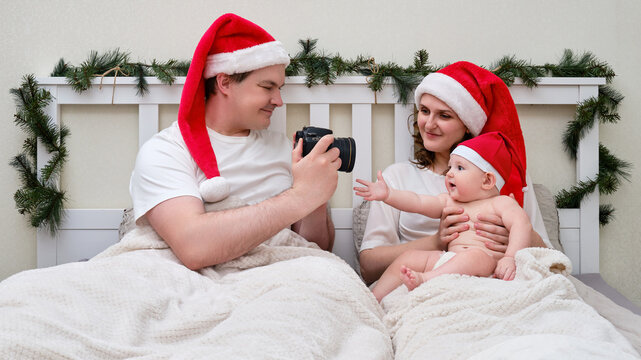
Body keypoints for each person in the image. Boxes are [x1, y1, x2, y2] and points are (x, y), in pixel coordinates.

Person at [129, 13, 340, 270]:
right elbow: (193, 247)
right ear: (225, 82)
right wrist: (298, 197)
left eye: (279, 89)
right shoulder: (166, 150)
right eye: (267, 87)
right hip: (192, 276)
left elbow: (314, 248)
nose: (278, 100)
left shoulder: (284, 148)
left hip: (280, 274)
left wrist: (315, 198)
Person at [358, 61, 551, 285]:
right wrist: (436, 241)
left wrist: (514, 240)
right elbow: (368, 267)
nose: (429, 124)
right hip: (419, 280)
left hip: (490, 280)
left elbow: (548, 256)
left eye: (444, 116)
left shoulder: (504, 178)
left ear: (467, 124)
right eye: (424, 111)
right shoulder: (396, 178)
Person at [355, 132, 533, 302]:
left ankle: (426, 279)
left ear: (487, 181)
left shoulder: (502, 203)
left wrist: (509, 257)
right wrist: (388, 195)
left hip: (486, 266)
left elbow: (522, 225)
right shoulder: (449, 201)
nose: (449, 173)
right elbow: (418, 202)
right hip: (449, 262)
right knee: (409, 257)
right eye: (450, 167)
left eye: (460, 168)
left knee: (475, 256)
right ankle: (374, 299)